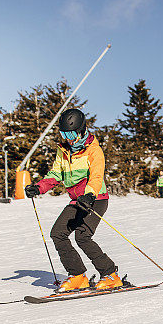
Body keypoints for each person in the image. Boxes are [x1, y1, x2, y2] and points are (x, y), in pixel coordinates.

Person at [24, 108, 122, 292]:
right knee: (57, 233)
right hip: (78, 201)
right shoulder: (63, 151)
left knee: (83, 237)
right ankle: (77, 276)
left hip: (96, 199)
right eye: (64, 133)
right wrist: (38, 187)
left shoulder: (94, 150)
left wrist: (90, 194)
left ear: (82, 130)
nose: (68, 138)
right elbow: (55, 174)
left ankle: (111, 275)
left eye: (71, 133)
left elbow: (96, 176)